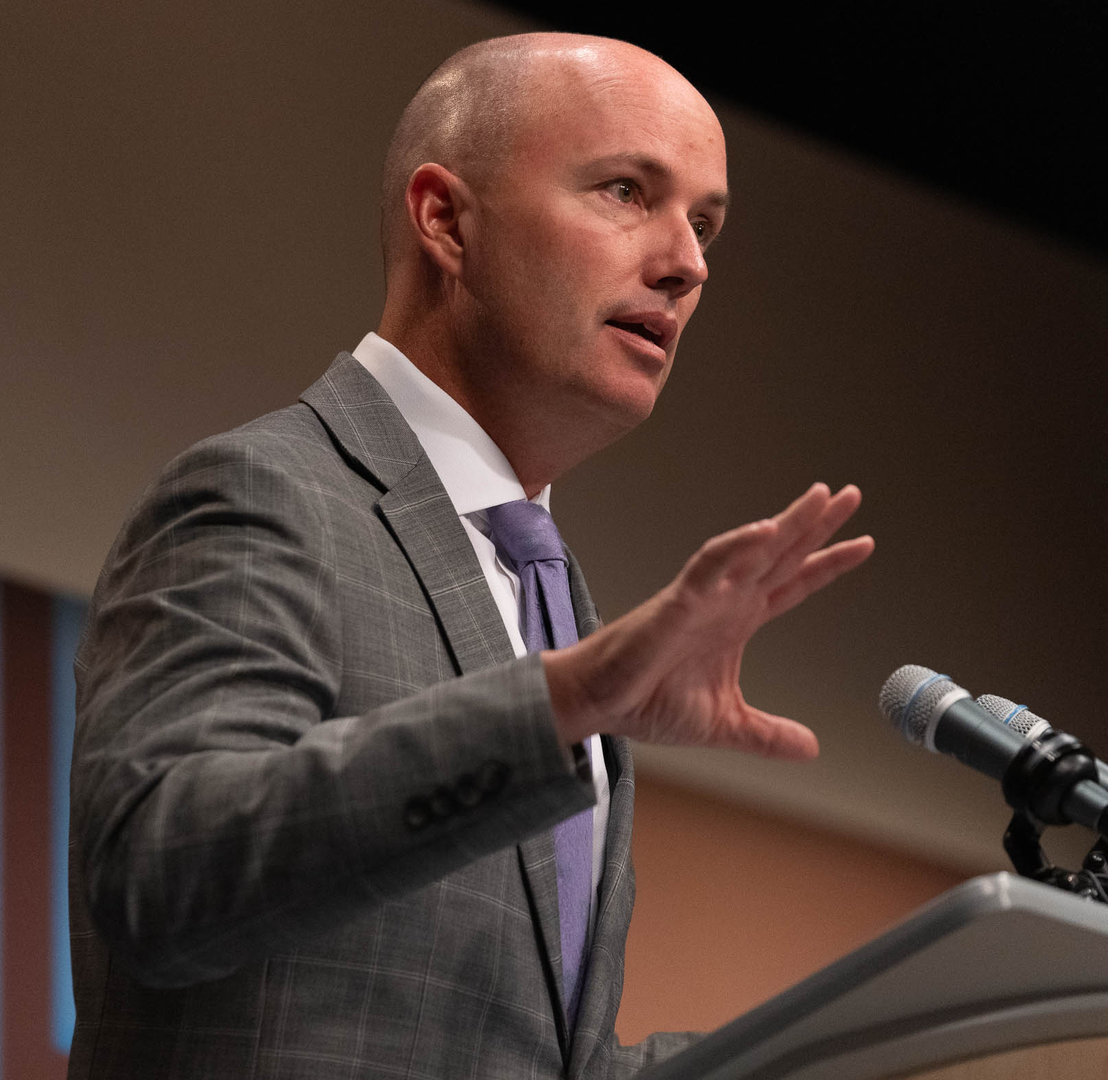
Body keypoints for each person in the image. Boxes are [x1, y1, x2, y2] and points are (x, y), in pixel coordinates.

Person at [65, 32, 874, 1080]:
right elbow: (161, 875)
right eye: (628, 192)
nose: (687, 263)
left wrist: (868, 1050)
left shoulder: (546, 589)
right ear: (445, 218)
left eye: (705, 224)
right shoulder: (265, 495)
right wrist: (561, 701)